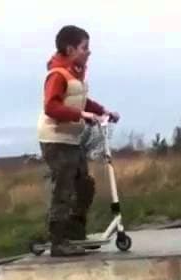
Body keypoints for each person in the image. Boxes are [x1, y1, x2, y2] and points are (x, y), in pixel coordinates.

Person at [37, 24, 119, 256]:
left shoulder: (75, 74)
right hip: (55, 139)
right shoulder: (57, 74)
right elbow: (51, 106)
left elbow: (81, 100)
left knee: (85, 185)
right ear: (70, 48)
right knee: (64, 188)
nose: (89, 52)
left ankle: (75, 232)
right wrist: (80, 115)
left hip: (71, 138)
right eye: (85, 47)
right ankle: (58, 241)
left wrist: (103, 111)